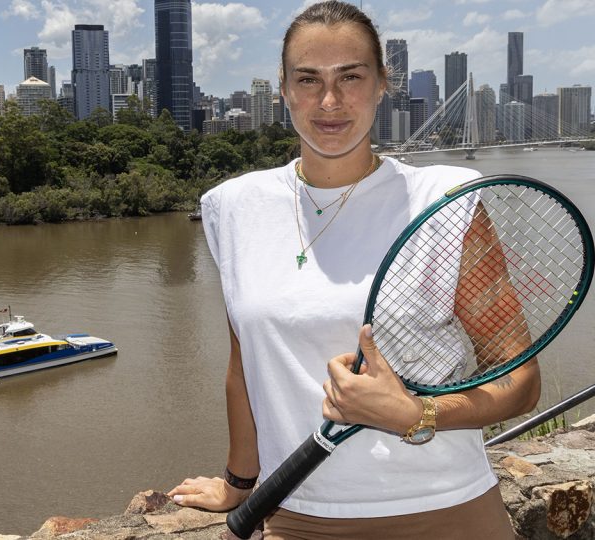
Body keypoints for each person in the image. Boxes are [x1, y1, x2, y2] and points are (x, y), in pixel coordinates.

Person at [168, 2, 541, 538]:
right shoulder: (232, 207)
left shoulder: (447, 202)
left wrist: (417, 413)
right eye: (308, 79)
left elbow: (520, 381)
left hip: (449, 509)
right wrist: (239, 481)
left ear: (383, 84)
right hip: (299, 514)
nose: (329, 101)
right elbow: (245, 365)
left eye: (351, 77)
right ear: (283, 89)